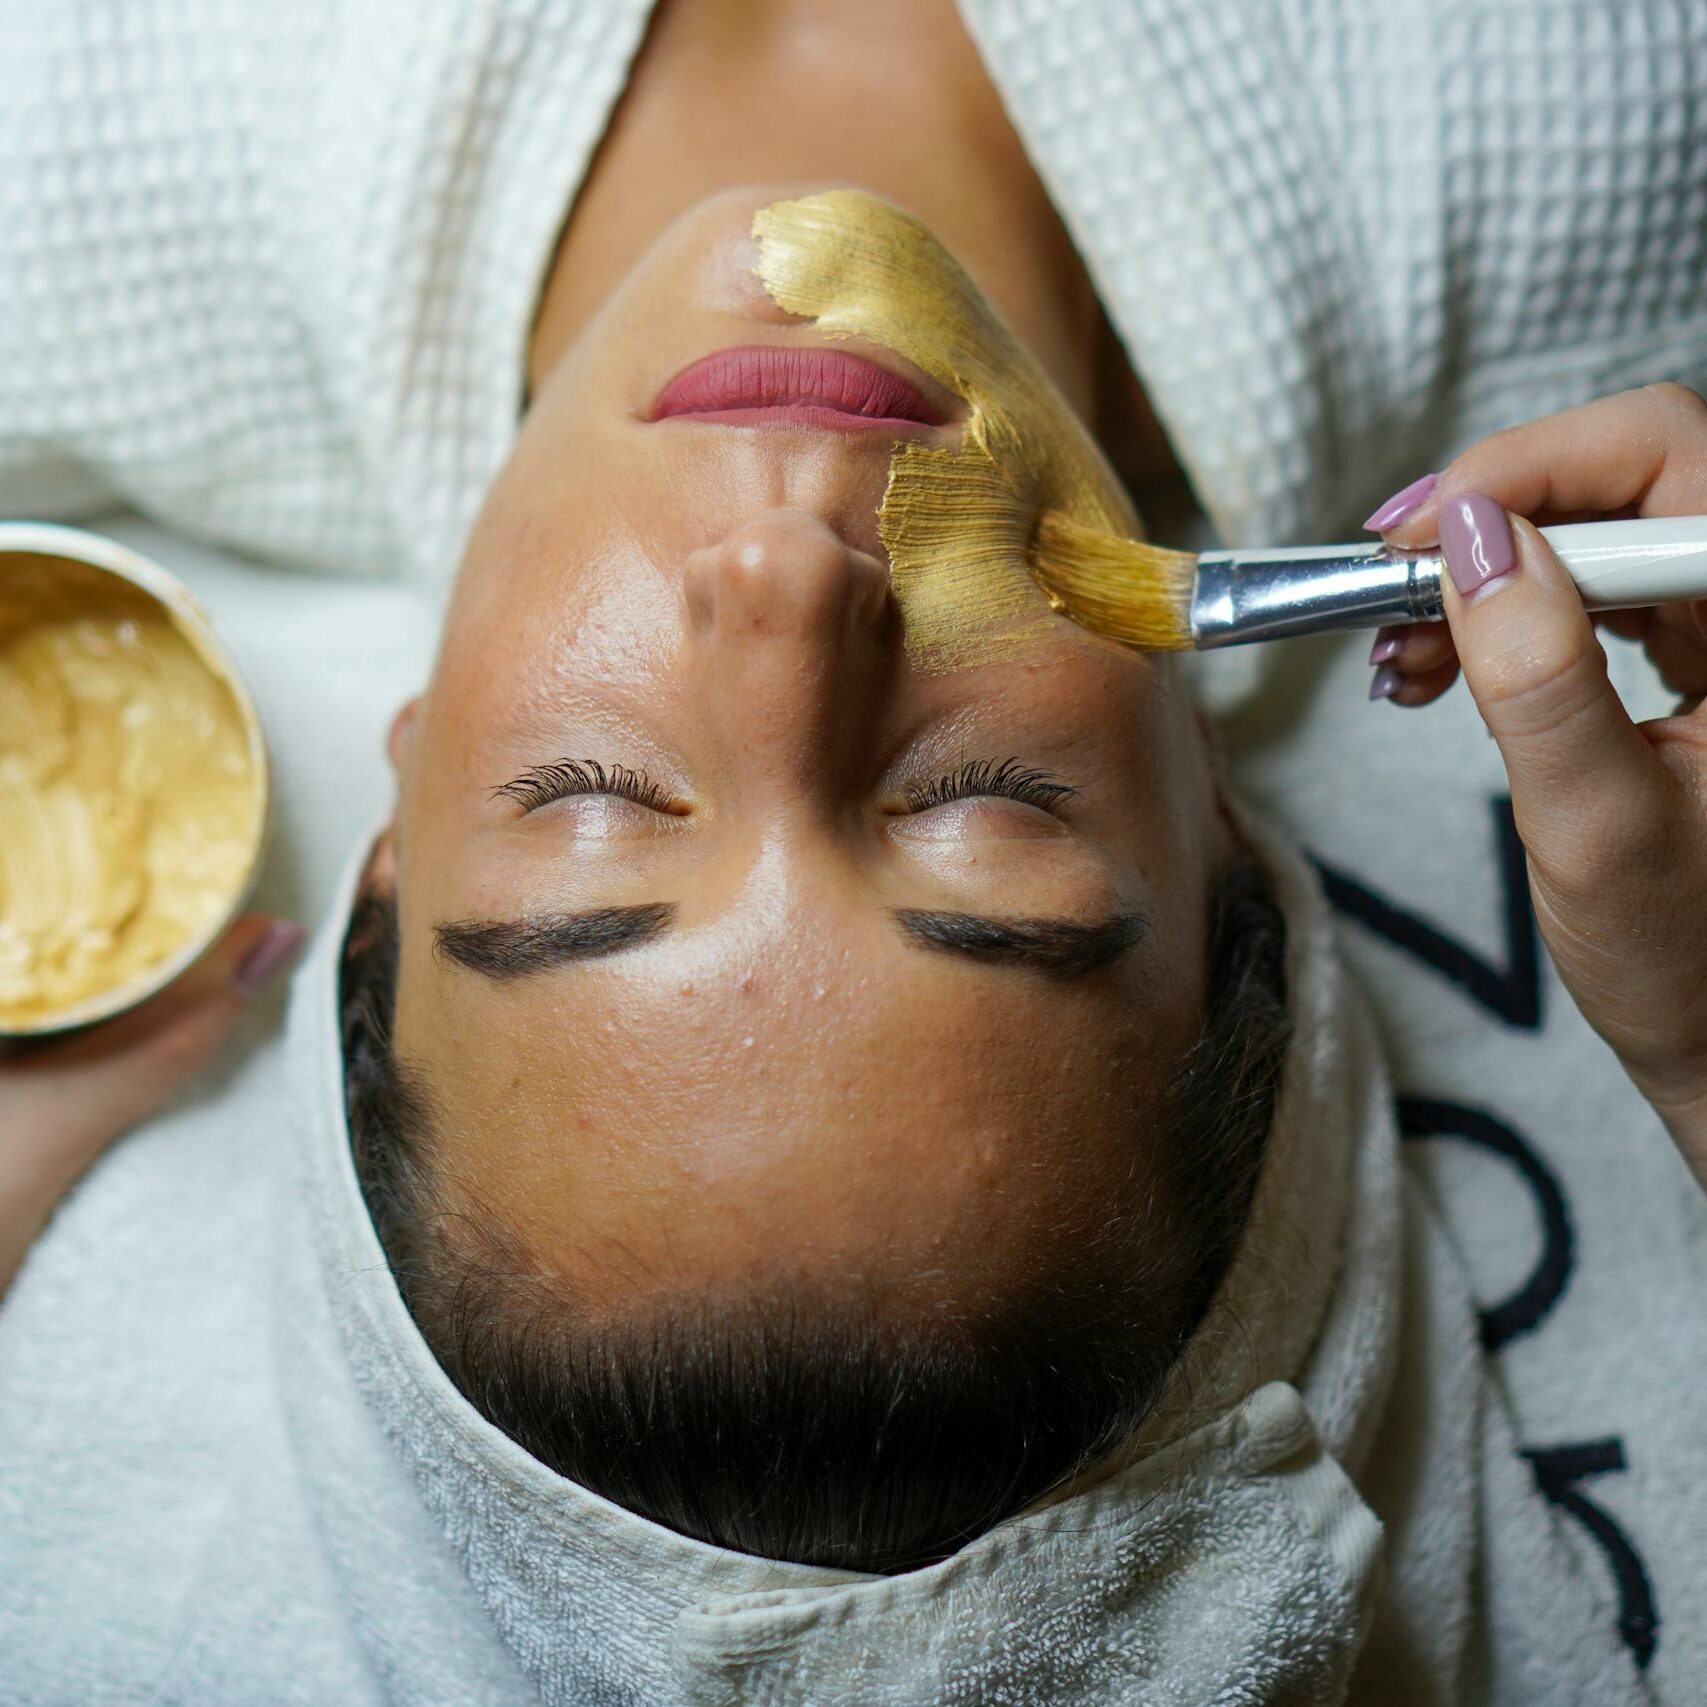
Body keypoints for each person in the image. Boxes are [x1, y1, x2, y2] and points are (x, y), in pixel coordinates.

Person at [3, 2, 1706, 1701]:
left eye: (594, 798)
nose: (791, 587)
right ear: (1217, 805)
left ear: (405, 789)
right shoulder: (1620, 140)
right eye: (988, 805)